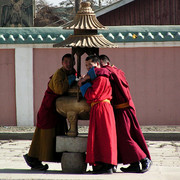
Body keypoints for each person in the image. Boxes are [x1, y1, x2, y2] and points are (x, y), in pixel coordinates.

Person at [79, 54, 152, 173]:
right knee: (120, 137)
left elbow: (98, 72)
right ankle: (134, 163)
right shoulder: (115, 71)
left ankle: (144, 159)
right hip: (118, 109)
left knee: (126, 136)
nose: (92, 69)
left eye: (93, 66)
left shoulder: (109, 71)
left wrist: (85, 80)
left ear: (102, 63)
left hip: (123, 109)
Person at [23, 53, 76, 171]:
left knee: (55, 135)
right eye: (66, 62)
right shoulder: (59, 73)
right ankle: (33, 158)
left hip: (58, 110)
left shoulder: (72, 73)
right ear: (62, 63)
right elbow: (59, 89)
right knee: (44, 136)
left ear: (74, 63)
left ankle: (35, 158)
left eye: (71, 62)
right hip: (49, 108)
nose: (68, 64)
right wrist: (69, 81)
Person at [78, 55, 117, 174]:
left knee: (104, 137)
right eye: (86, 65)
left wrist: (82, 85)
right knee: (101, 137)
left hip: (101, 108)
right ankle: (102, 163)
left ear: (98, 65)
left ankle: (108, 165)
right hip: (99, 108)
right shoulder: (97, 78)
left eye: (90, 65)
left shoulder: (101, 78)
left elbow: (92, 95)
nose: (88, 68)